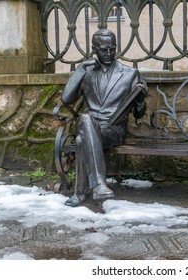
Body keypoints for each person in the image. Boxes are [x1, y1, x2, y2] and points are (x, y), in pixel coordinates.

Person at [61, 29, 147, 207]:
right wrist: (80, 70)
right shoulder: (86, 72)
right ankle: (99, 184)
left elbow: (139, 114)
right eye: (103, 50)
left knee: (79, 140)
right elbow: (66, 99)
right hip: (89, 124)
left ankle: (81, 192)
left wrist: (140, 99)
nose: (108, 54)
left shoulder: (130, 74)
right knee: (86, 120)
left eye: (112, 49)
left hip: (113, 128)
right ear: (94, 49)